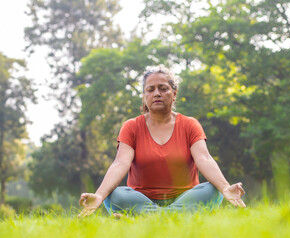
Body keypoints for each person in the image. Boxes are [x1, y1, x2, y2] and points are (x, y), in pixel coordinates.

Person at [78, 66, 246, 218]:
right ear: (144, 96)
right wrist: (99, 195)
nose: (156, 93)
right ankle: (176, 218)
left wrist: (224, 188)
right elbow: (120, 163)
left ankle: (144, 220)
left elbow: (205, 159)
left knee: (212, 190)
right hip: (140, 200)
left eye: (163, 88)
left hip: (186, 199)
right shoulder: (131, 126)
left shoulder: (189, 124)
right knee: (114, 195)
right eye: (150, 90)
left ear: (174, 93)